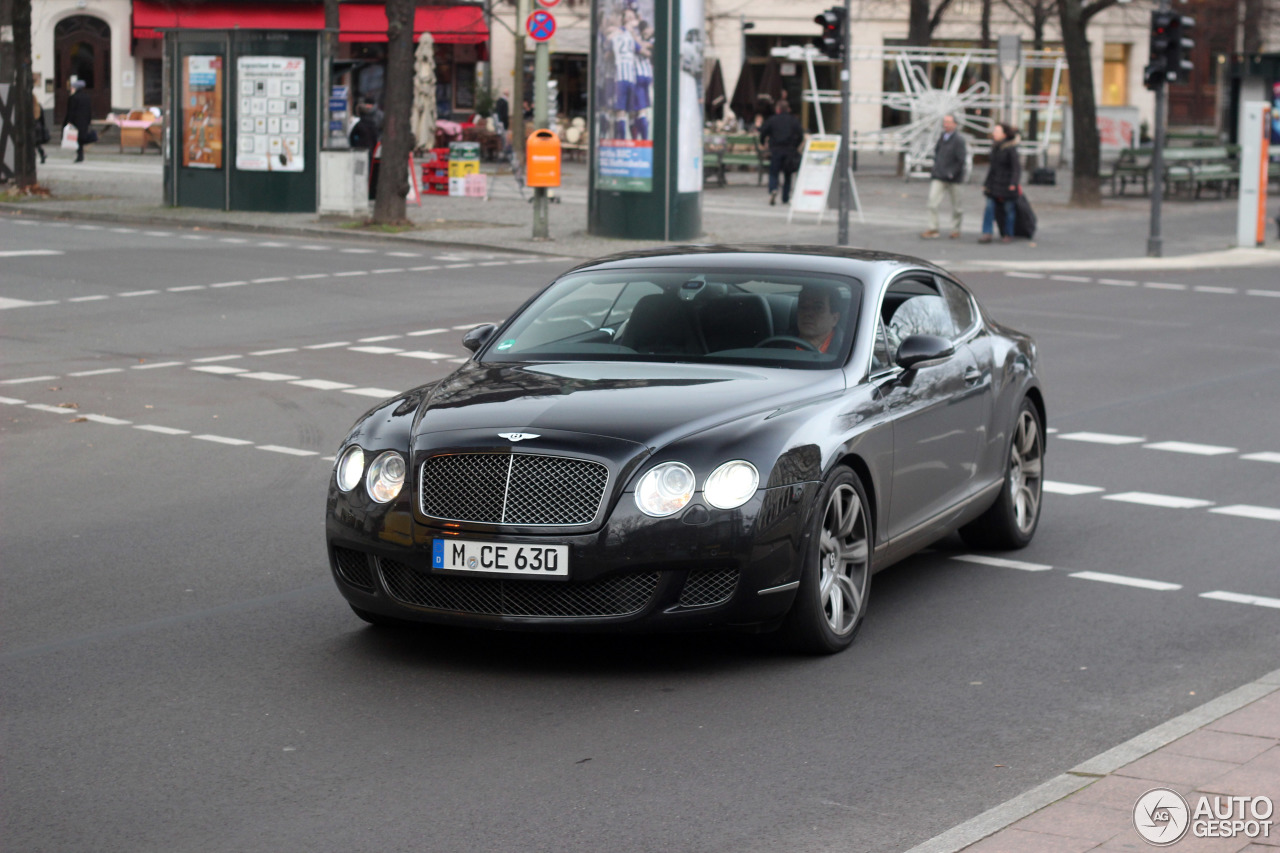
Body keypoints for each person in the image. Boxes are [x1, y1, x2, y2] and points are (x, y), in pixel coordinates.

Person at [921, 113, 966, 239]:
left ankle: (955, 229)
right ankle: (933, 228)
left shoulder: (958, 140)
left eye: (948, 122)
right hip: (939, 175)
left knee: (957, 206)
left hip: (954, 178)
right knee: (932, 202)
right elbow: (937, 154)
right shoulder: (942, 137)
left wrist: (952, 173)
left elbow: (961, 160)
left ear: (955, 124)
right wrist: (936, 170)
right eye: (944, 122)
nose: (945, 124)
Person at [979, 123, 1021, 244]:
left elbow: (1016, 168)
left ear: (1004, 134)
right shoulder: (995, 147)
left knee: (1008, 209)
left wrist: (1013, 183)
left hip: (1007, 183)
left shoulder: (1010, 148)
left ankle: (1008, 233)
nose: (994, 134)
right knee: (989, 208)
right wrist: (986, 183)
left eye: (997, 131)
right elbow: (992, 168)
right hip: (994, 183)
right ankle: (987, 233)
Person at [759, 100, 804, 206]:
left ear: (778, 109)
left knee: (774, 172)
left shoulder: (773, 120)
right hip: (789, 150)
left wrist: (763, 143)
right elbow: (800, 135)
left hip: (776, 149)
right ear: (788, 109)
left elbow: (763, 132)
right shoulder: (793, 120)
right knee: (788, 175)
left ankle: (773, 189)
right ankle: (785, 198)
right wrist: (795, 146)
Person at [796, 283, 842, 353]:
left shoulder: (848, 350)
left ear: (835, 319)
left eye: (818, 308)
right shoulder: (780, 345)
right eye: (803, 307)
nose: (807, 313)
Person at [65, 79, 93, 163]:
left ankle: (80, 155)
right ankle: (80, 155)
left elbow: (71, 110)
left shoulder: (73, 97)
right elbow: (89, 110)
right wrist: (88, 120)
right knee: (81, 138)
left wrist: (69, 121)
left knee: (77, 139)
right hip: (84, 121)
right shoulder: (87, 97)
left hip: (76, 121)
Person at [32, 94, 49, 164]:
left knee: (32, 144)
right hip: (38, 126)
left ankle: (35, 156)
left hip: (32, 126)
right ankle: (42, 154)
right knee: (37, 144)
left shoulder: (30, 106)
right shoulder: (38, 106)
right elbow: (42, 119)